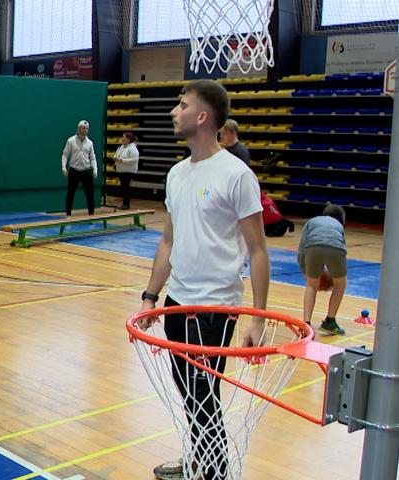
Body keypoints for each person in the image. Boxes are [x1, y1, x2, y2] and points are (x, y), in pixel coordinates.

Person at [137, 80, 269, 480]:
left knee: (203, 394)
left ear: (202, 116)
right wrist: (150, 297)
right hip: (179, 300)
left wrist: (257, 317)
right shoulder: (177, 174)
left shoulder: (237, 175)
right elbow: (167, 241)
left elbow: (260, 251)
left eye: (181, 104)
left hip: (216, 307)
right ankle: (198, 457)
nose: (172, 111)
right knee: (189, 392)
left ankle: (213, 472)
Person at [297, 205, 348, 335]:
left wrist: (305, 272)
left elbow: (302, 248)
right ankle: (330, 322)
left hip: (312, 247)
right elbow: (342, 247)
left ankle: (306, 325)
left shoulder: (312, 221)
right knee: (340, 285)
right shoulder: (339, 225)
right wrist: (334, 273)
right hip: (336, 248)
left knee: (311, 286)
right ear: (341, 219)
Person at [61, 120, 98, 216]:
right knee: (70, 193)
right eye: (83, 128)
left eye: (87, 128)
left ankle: (91, 215)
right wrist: (63, 166)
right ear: (79, 128)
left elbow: (92, 157)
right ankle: (68, 214)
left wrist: (95, 169)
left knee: (90, 194)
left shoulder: (90, 143)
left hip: (86, 171)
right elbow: (65, 154)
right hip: (74, 171)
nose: (85, 130)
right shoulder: (71, 141)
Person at [113, 132, 139, 210]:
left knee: (126, 188)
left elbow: (134, 160)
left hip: (128, 171)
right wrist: (115, 158)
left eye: (124, 137)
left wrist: (122, 161)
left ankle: (126, 204)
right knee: (123, 188)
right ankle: (124, 204)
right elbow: (117, 154)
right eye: (122, 137)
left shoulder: (133, 148)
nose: (122, 138)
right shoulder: (121, 147)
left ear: (129, 139)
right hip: (121, 170)